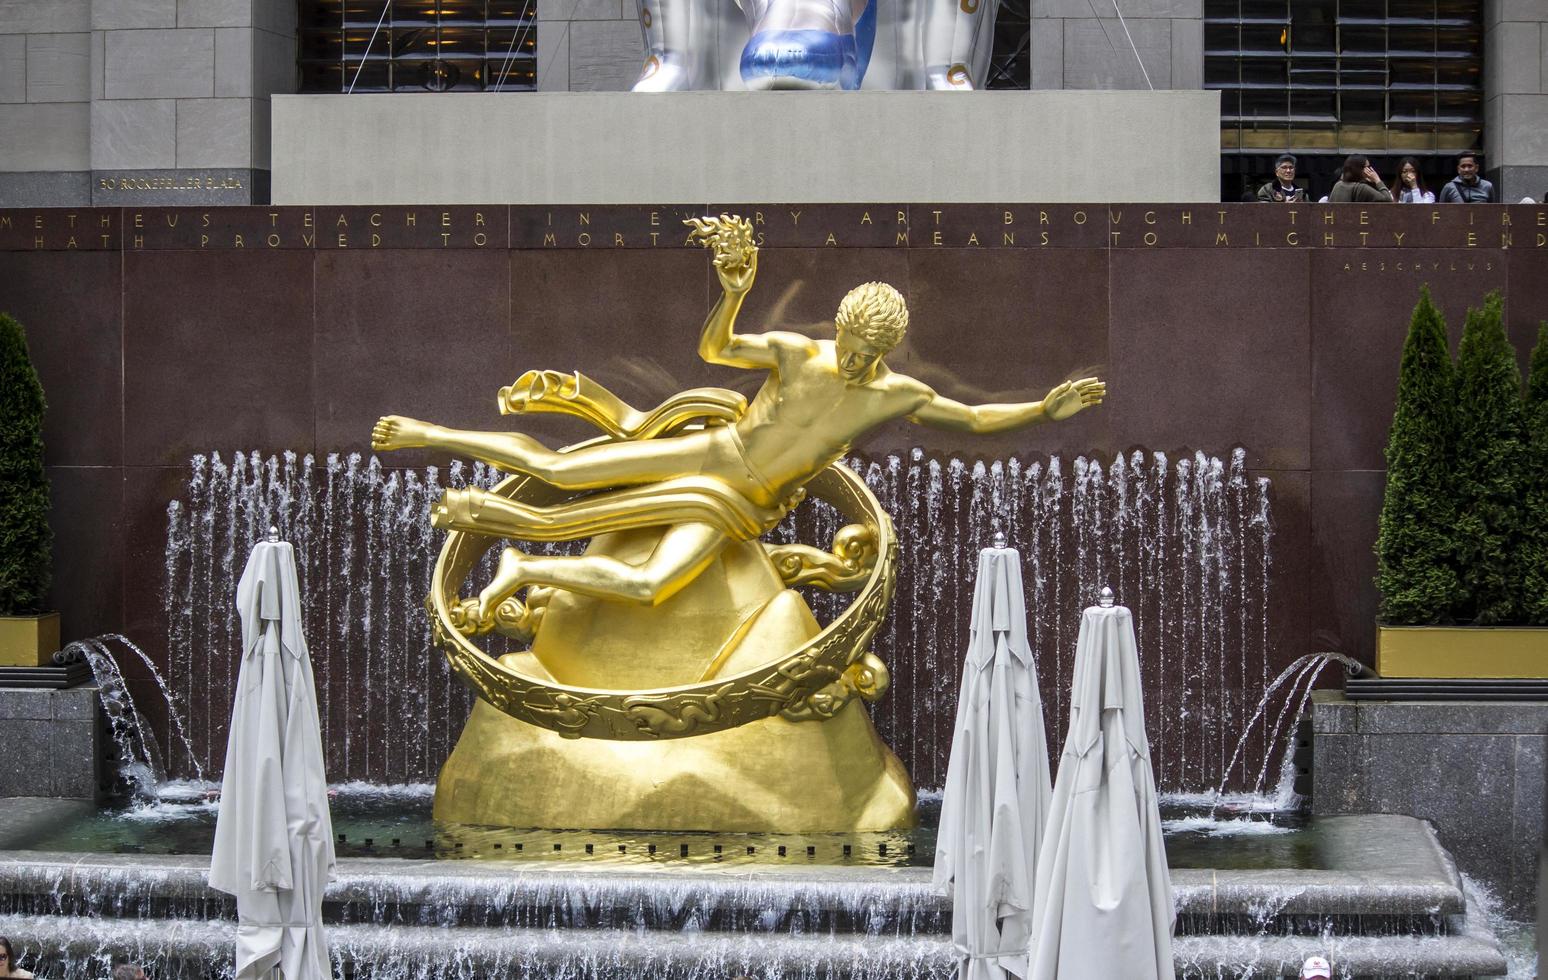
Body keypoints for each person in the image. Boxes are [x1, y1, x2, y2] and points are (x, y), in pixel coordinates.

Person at [373, 215, 1105, 614]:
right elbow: (716, 348)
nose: (849, 361)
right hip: (711, 454)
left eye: (865, 352)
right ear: (840, 329)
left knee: (649, 586)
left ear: (888, 346)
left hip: (743, 507)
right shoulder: (797, 352)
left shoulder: (896, 395)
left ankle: (527, 564)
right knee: (560, 468)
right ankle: (430, 433)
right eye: (847, 344)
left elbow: (973, 422)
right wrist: (733, 288)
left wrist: (1045, 408)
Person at [1329, 154, 1393, 203]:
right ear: (1359, 169)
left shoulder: (1338, 185)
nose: (1370, 170)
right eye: (1367, 167)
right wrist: (1377, 180)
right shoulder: (1361, 188)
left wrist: (1371, 183)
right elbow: (1388, 201)